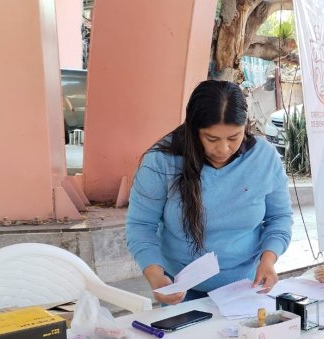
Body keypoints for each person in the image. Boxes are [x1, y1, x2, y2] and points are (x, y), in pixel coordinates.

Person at [126, 80, 293, 305]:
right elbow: (141, 226)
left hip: (246, 288)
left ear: (246, 127)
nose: (223, 149)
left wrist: (269, 259)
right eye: (211, 139)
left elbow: (279, 218)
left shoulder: (264, 158)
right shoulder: (160, 162)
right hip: (182, 291)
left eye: (234, 137)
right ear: (193, 130)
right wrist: (155, 275)